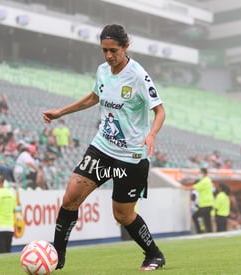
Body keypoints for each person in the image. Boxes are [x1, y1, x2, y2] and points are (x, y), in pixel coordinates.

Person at [42, 24, 166, 271]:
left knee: (122, 215)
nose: (108, 56)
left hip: (130, 156)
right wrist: (60, 112)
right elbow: (93, 97)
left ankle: (154, 254)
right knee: (70, 199)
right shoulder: (102, 71)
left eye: (113, 50)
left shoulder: (138, 76)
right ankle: (57, 258)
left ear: (125, 46)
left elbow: (160, 110)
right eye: (104, 50)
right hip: (102, 148)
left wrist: (151, 134)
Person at [181, 167, 214, 234]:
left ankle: (200, 231)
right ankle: (209, 232)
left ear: (203, 173)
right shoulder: (208, 180)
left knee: (195, 216)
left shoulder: (204, 181)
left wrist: (183, 187)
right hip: (208, 203)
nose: (199, 174)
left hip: (205, 204)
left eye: (200, 172)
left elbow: (194, 187)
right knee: (207, 219)